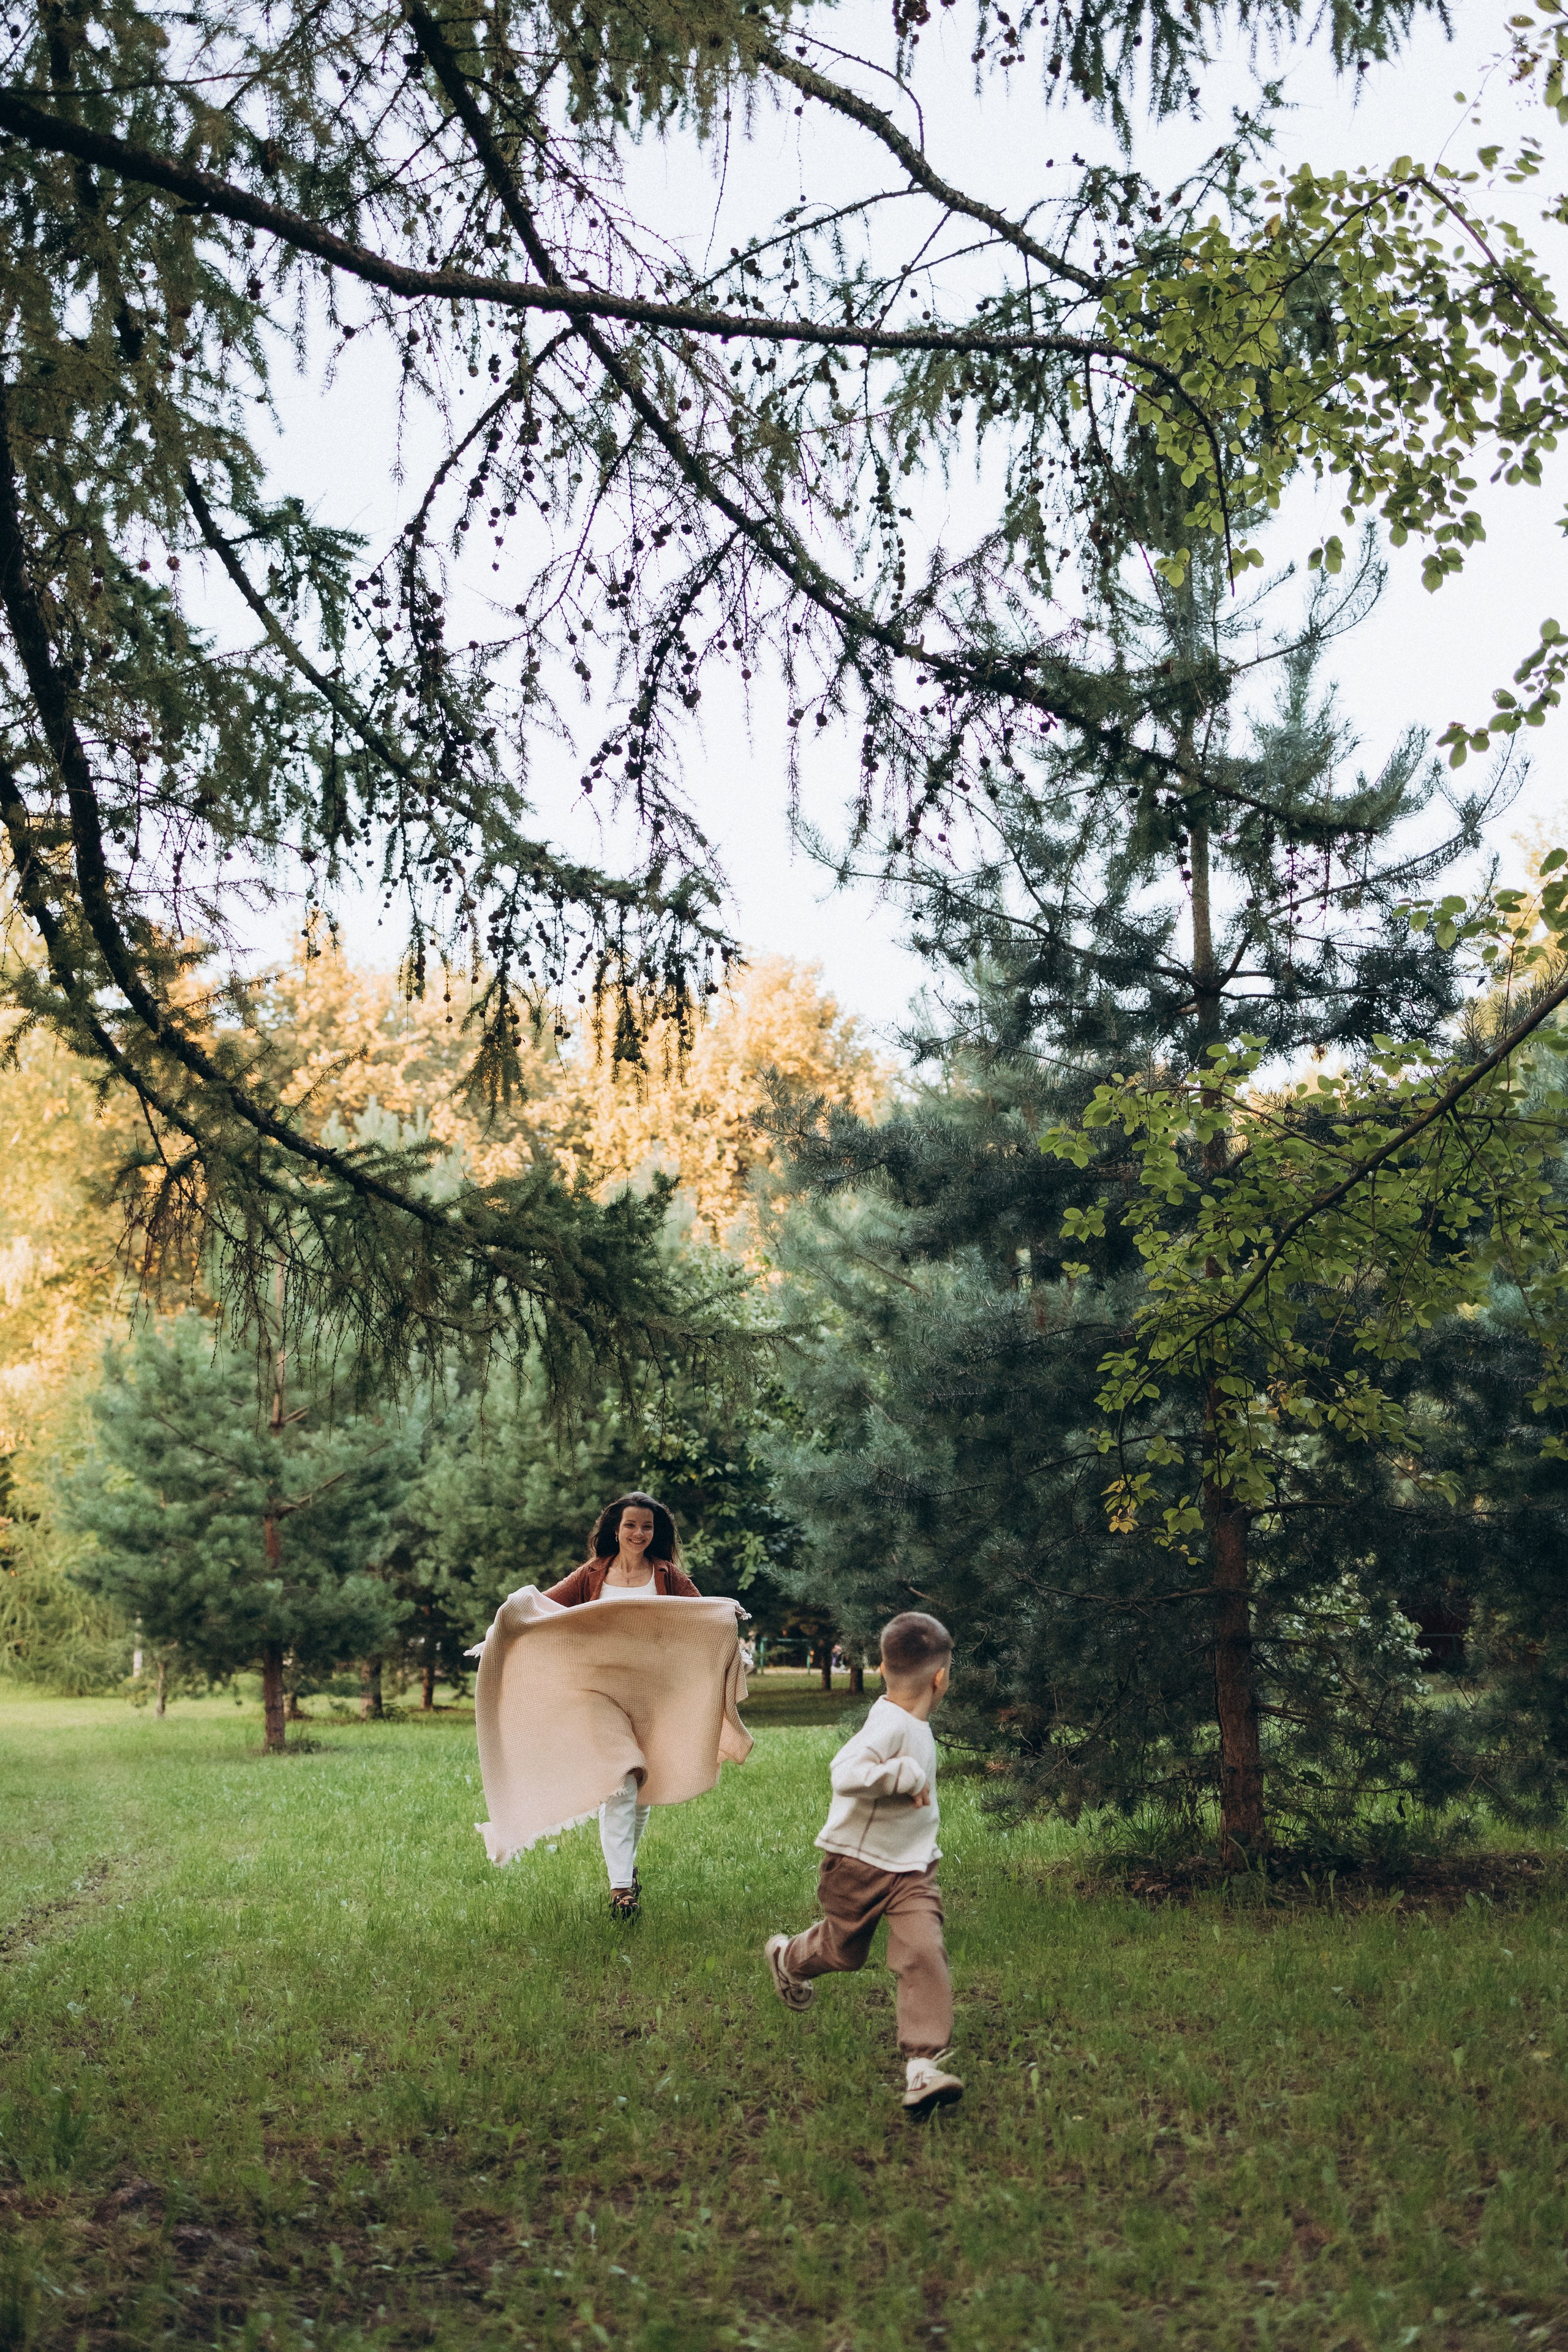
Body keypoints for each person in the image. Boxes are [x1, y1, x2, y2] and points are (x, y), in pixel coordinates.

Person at [763, 1610, 962, 2120]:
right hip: (856, 1867)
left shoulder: (913, 1723)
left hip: (912, 1870)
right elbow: (845, 1771)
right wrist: (902, 1773)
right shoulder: (890, 1724)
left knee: (923, 1951)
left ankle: (923, 2066)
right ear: (941, 1678)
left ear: (881, 1667)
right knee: (844, 1952)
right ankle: (788, 1958)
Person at [543, 1492, 701, 1920]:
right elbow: (543, 1607)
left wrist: (728, 1613)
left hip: (653, 1692)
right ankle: (620, 1890)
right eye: (631, 1524)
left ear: (655, 1532)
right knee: (621, 1783)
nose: (638, 1533)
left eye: (647, 1526)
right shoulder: (591, 1574)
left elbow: (701, 1615)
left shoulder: (666, 1574)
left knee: (642, 1788)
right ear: (616, 1528)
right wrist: (503, 1626)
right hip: (600, 1693)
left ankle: (625, 1869)